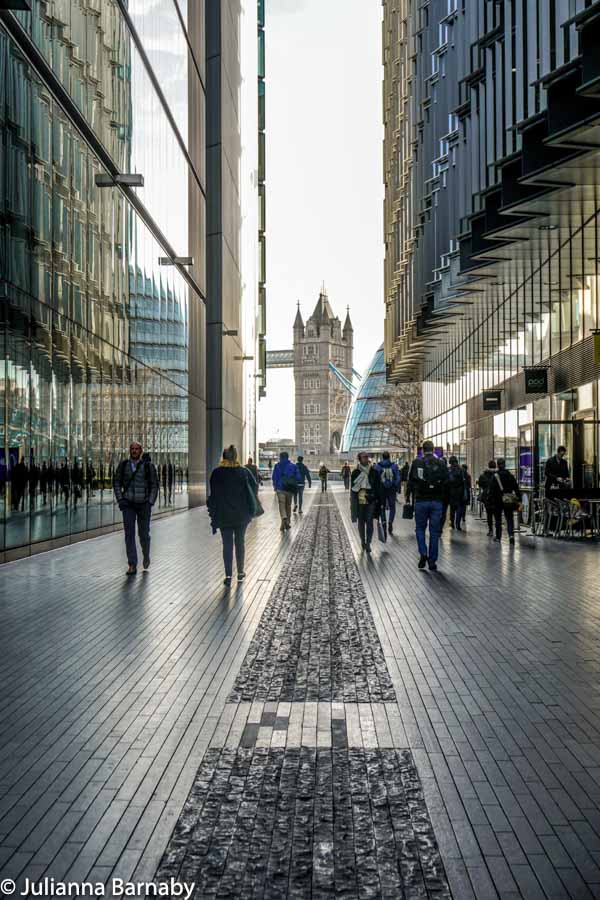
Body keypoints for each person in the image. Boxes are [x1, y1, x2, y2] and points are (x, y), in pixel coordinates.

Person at [209, 445, 258, 587]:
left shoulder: (216, 473)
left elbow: (213, 496)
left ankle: (228, 575)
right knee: (240, 542)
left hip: (224, 515)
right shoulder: (244, 472)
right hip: (241, 515)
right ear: (236, 456)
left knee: (227, 544)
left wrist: (213, 514)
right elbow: (254, 488)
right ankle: (241, 572)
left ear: (223, 457)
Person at [114, 441, 159, 575]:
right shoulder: (123, 465)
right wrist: (120, 499)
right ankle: (132, 564)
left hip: (144, 504)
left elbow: (155, 485)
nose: (134, 451)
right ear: (129, 450)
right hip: (128, 504)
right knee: (129, 534)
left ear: (141, 450)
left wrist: (150, 502)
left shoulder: (148, 466)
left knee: (143, 534)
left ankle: (146, 555)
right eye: (132, 448)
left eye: (137, 449)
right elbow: (116, 482)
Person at [406, 440, 449, 571]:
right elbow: (447, 481)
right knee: (434, 532)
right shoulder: (441, 463)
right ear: (433, 449)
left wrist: (408, 497)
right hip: (436, 501)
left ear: (422, 450)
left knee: (420, 529)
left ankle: (423, 552)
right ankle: (432, 561)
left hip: (421, 501)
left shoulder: (417, 462)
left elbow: (411, 482)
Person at [351, 452, 383, 553]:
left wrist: (379, 500)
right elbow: (352, 489)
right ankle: (362, 541)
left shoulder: (374, 472)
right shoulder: (355, 472)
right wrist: (352, 503)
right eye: (364, 457)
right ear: (359, 459)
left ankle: (368, 543)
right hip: (359, 502)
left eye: (367, 457)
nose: (366, 458)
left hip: (371, 501)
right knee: (361, 523)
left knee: (369, 523)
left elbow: (378, 487)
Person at [489, 458, 521, 544]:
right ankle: (511, 535)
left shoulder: (495, 476)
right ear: (504, 464)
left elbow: (491, 489)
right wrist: (519, 498)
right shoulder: (510, 475)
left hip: (497, 500)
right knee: (509, 518)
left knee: (498, 519)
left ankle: (498, 537)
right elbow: (516, 487)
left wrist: (491, 500)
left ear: (498, 465)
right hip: (508, 500)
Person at [272, 451, 300, 531]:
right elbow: (298, 477)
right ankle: (287, 522)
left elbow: (274, 477)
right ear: (288, 457)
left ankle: (284, 518)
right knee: (288, 505)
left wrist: (275, 485)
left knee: (281, 504)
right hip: (289, 489)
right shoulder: (293, 466)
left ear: (280, 457)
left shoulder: (277, 466)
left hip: (280, 488)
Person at [375, 451, 401, 535]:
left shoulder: (378, 466)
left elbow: (375, 478)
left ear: (382, 457)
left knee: (382, 506)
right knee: (392, 506)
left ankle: (384, 522)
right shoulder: (394, 466)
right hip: (391, 489)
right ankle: (390, 521)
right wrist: (394, 485)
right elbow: (398, 477)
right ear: (389, 457)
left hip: (381, 489)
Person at [477, 460, 497, 536]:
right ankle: (498, 533)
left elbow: (480, 484)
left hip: (487, 497)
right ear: (495, 466)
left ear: (488, 466)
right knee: (497, 515)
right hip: (496, 497)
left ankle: (490, 530)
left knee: (489, 514)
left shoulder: (483, 475)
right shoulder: (498, 474)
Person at [447, 456, 468, 531]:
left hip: (451, 492)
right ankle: (457, 524)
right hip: (460, 492)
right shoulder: (462, 470)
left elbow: (446, 482)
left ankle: (452, 523)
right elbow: (466, 482)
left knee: (452, 509)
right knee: (459, 509)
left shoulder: (449, 470)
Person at [461, 464, 472, 528]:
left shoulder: (460, 475)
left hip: (461, 492)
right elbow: (469, 485)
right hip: (466, 492)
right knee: (464, 505)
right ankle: (463, 516)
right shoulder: (468, 475)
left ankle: (460, 516)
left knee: (460, 505)